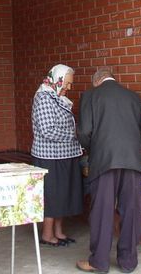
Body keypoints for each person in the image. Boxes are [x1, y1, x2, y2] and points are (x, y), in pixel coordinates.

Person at [76, 67, 141, 273]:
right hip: (133, 163)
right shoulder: (133, 97)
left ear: (97, 81)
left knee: (102, 211)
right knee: (132, 211)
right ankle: (128, 262)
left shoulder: (90, 96)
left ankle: (99, 262)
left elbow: (83, 131)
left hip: (104, 162)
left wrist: (94, 150)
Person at [31, 64, 84, 246]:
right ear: (58, 79)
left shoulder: (58, 98)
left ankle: (59, 232)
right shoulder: (44, 97)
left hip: (65, 155)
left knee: (63, 194)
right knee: (53, 195)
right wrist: (73, 135)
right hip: (50, 157)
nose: (69, 87)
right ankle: (47, 234)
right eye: (67, 83)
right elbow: (47, 130)